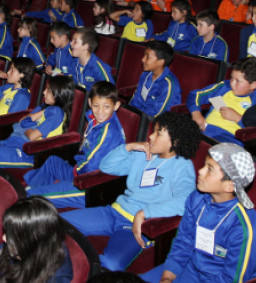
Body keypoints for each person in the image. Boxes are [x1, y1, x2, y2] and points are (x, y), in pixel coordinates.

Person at [61, 112, 201, 271]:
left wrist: (145, 212)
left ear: (174, 142)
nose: (151, 137)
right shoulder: (143, 154)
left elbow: (185, 201)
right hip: (113, 213)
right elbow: (106, 166)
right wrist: (129, 147)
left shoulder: (182, 165)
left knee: (111, 263)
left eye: (158, 134)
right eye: (153, 131)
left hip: (138, 227)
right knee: (57, 224)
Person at [140, 143, 256, 283]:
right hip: (191, 269)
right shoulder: (197, 199)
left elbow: (230, 279)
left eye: (210, 169)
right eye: (204, 165)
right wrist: (167, 277)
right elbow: (184, 242)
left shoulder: (246, 230)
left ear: (230, 185)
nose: (201, 171)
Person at [26, 81, 125, 209]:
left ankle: (30, 194)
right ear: (90, 103)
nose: (100, 111)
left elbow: (91, 165)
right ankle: (31, 186)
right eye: (96, 105)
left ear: (116, 106)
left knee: (34, 196)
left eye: (106, 106)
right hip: (80, 172)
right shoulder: (95, 120)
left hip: (91, 186)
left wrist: (74, 173)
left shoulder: (108, 132)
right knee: (53, 162)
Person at [0, 196, 73, 283]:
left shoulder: (55, 278)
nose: (3, 238)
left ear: (30, 242)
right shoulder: (11, 249)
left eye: (12, 235)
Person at [0, 74, 74, 168]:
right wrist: (41, 113)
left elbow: (31, 136)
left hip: (27, 153)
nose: (44, 92)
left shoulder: (57, 112)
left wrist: (28, 129)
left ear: (59, 94)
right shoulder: (44, 107)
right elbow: (22, 121)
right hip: (14, 143)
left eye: (48, 90)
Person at [188, 57, 256, 146]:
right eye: (231, 78)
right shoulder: (224, 87)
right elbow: (195, 95)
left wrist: (238, 118)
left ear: (253, 85)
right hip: (205, 130)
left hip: (230, 139)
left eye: (238, 81)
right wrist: (196, 113)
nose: (232, 83)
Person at [128, 41, 180, 118]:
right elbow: (136, 99)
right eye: (144, 55)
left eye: (147, 56)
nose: (143, 59)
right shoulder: (145, 75)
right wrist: (129, 113)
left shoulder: (168, 85)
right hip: (140, 116)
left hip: (155, 122)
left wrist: (136, 118)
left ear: (160, 62)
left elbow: (157, 113)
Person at [69, 27, 114, 92]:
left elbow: (110, 90)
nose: (70, 43)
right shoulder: (74, 62)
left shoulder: (98, 67)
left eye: (75, 41)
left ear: (86, 46)